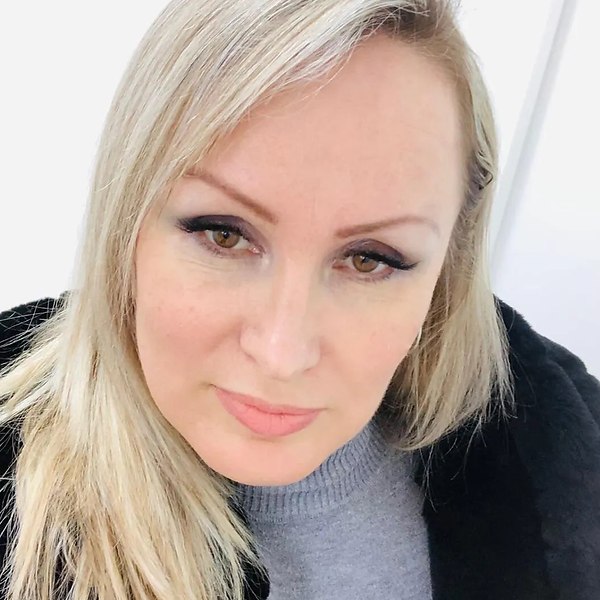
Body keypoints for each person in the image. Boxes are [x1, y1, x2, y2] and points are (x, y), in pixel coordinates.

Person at [0, 0, 599, 598]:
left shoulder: (565, 463)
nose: (281, 354)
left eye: (370, 260)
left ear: (448, 267)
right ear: (125, 223)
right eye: (224, 234)